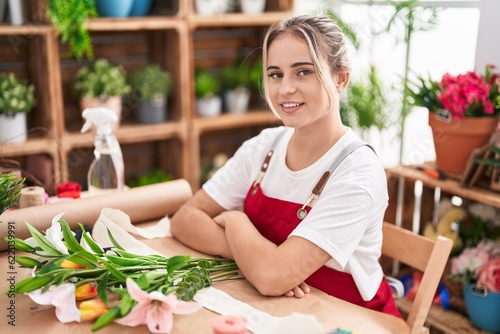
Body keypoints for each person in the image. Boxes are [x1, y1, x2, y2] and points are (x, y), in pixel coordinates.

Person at [171, 14, 401, 318]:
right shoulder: (264, 146)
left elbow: (270, 278)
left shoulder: (356, 172)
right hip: (278, 308)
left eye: (303, 72)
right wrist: (257, 259)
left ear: (340, 79)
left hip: (349, 318)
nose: (284, 90)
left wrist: (235, 221)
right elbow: (184, 220)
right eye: (275, 74)